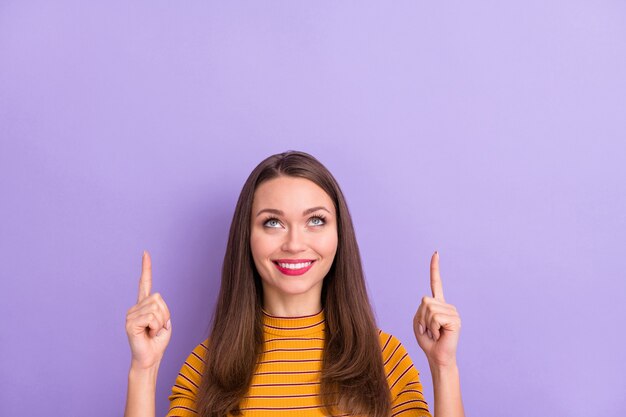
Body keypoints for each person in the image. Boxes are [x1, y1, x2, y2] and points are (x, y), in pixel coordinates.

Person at [124, 150, 464, 417]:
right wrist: (144, 369)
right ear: (247, 238)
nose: (294, 243)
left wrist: (444, 367)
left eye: (315, 220)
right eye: (272, 223)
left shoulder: (385, 358)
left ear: (338, 235)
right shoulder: (207, 366)